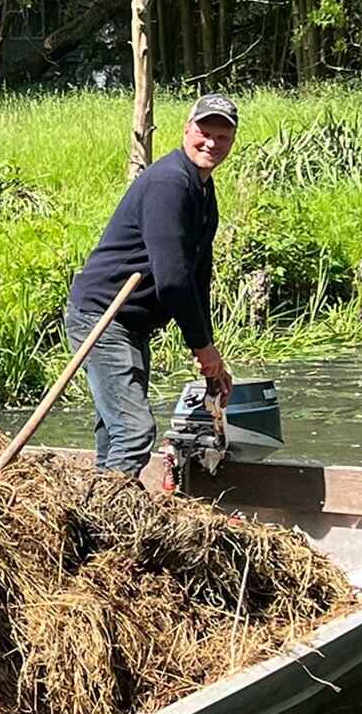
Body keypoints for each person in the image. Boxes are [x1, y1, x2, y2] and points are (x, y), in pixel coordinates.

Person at [63, 94, 238, 483]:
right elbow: (173, 281)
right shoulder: (169, 183)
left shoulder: (202, 190)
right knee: (134, 430)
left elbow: (197, 276)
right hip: (103, 317)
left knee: (115, 431)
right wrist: (201, 346)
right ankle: (115, 521)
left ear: (232, 141)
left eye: (221, 136)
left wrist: (209, 350)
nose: (211, 143)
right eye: (204, 133)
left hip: (131, 324)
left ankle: (97, 508)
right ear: (186, 132)